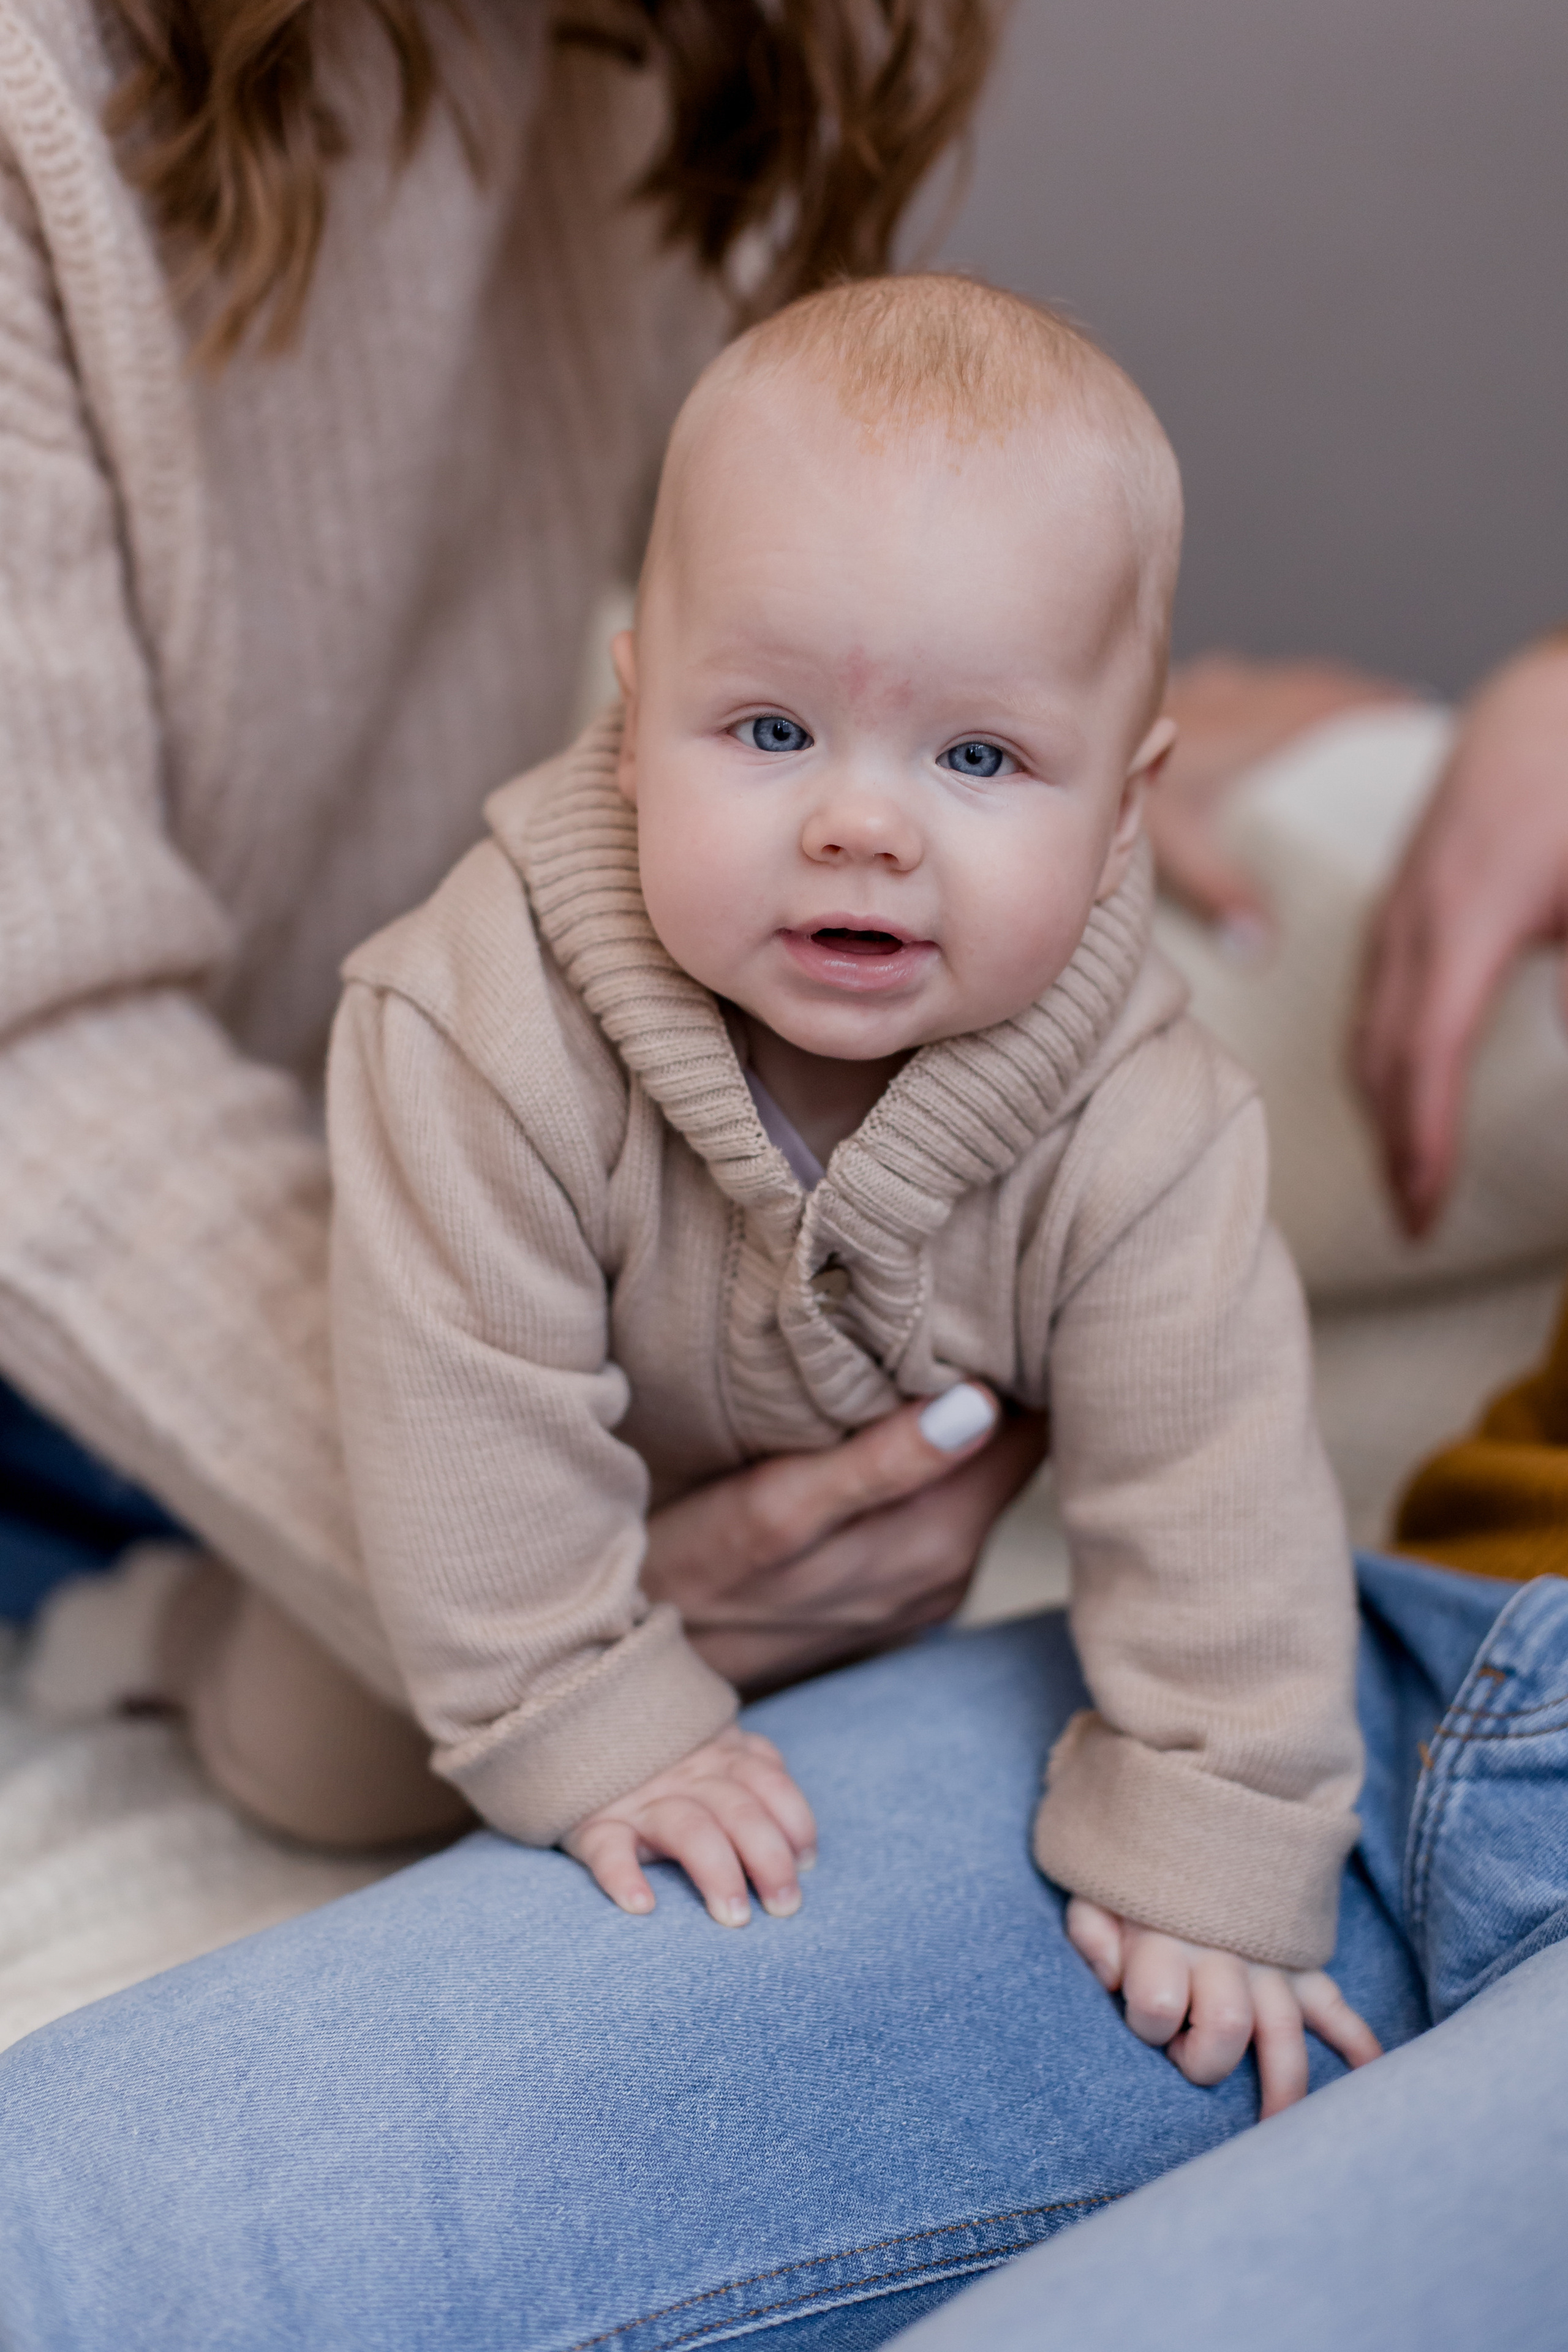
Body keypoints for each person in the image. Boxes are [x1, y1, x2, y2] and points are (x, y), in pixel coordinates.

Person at [0, 0, 1031, 1767]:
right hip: (82, 1263)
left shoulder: (631, 46)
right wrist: (548, 1574)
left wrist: (1016, 723)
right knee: (327, 1746)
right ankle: (153, 1627)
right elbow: (39, 1049)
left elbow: (750, 566)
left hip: (314, 1152)